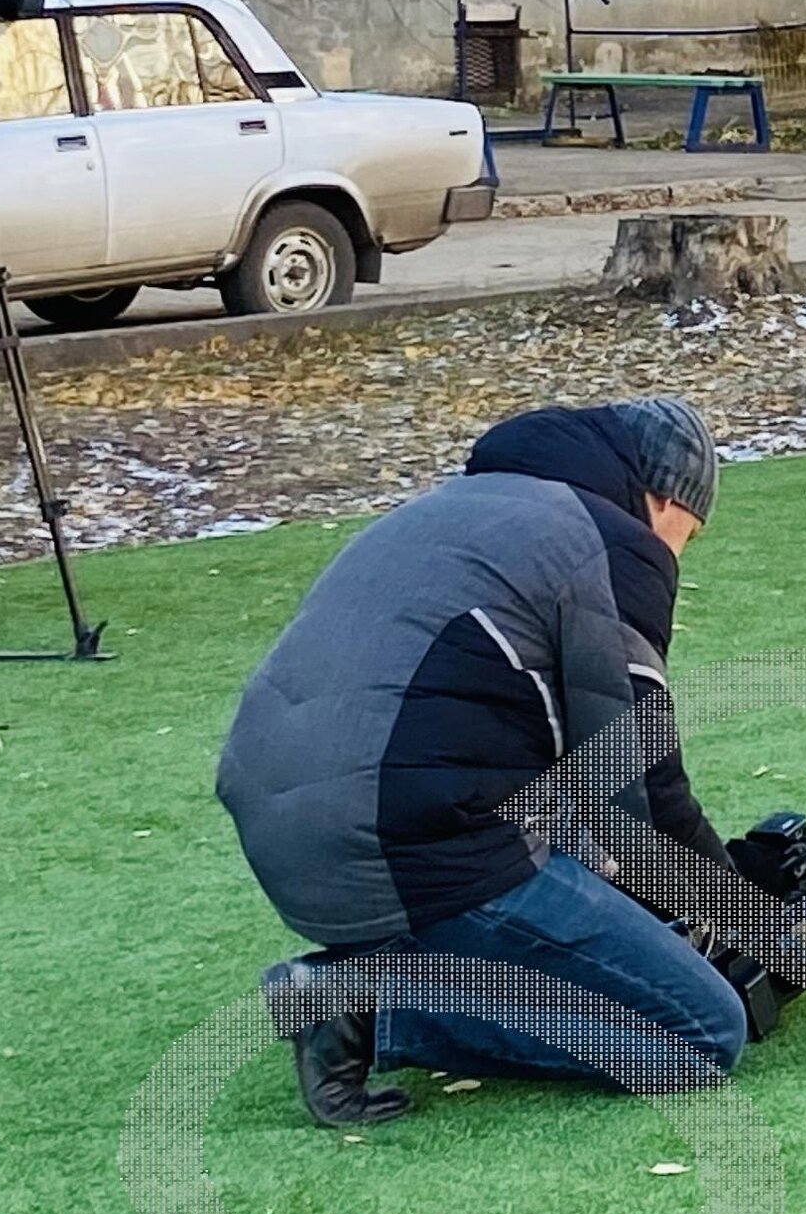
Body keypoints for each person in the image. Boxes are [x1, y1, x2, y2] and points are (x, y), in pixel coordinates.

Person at [218, 398, 764, 1124]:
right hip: (412, 847)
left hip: (289, 839)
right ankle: (369, 1008)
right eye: (686, 535)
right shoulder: (615, 544)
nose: (676, 556)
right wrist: (750, 919)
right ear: (662, 497)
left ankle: (373, 982)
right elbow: (638, 785)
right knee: (702, 1032)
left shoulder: (454, 509)